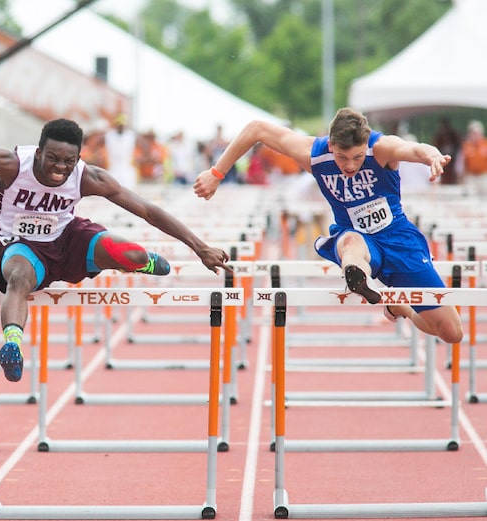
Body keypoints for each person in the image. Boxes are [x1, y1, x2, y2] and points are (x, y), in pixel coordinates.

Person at [0, 118, 232, 382]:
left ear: (79, 157)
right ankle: (12, 345)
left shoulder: (86, 177)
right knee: (19, 280)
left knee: (129, 254)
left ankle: (141, 263)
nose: (59, 168)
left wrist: (200, 248)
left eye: (68, 160)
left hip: (68, 239)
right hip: (22, 247)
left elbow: (147, 209)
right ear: (38, 152)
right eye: (52, 158)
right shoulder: (11, 164)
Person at [194, 107, 462, 344]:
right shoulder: (313, 153)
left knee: (451, 332)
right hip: (356, 239)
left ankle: (399, 308)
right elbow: (257, 129)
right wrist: (216, 173)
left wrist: (433, 156)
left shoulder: (381, 148)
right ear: (331, 145)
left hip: (399, 241)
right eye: (343, 158)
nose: (350, 165)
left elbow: (414, 149)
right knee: (350, 242)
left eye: (357, 157)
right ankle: (356, 274)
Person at [459, 119, 487, 196]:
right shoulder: (466, 146)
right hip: (471, 176)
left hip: (484, 176)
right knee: (471, 197)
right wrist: (462, 179)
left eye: (477, 133)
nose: (475, 136)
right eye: (473, 133)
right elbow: (461, 164)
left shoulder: (485, 144)